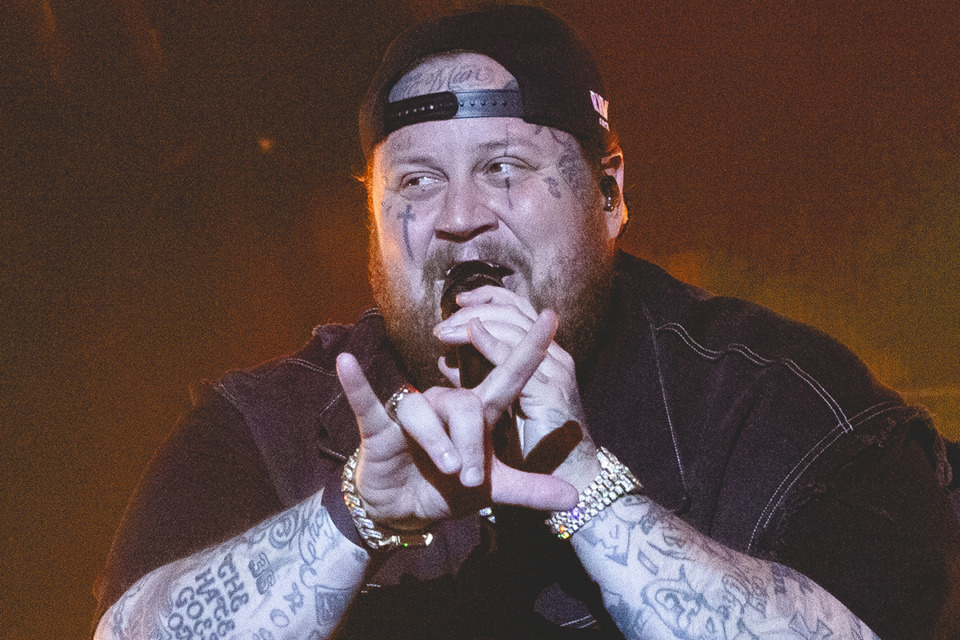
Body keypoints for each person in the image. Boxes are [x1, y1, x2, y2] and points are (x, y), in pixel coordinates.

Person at [92, 6, 960, 639]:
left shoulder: (774, 403)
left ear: (610, 195)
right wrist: (351, 515)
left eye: (504, 168)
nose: (459, 215)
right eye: (417, 182)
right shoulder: (265, 427)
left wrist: (590, 490)